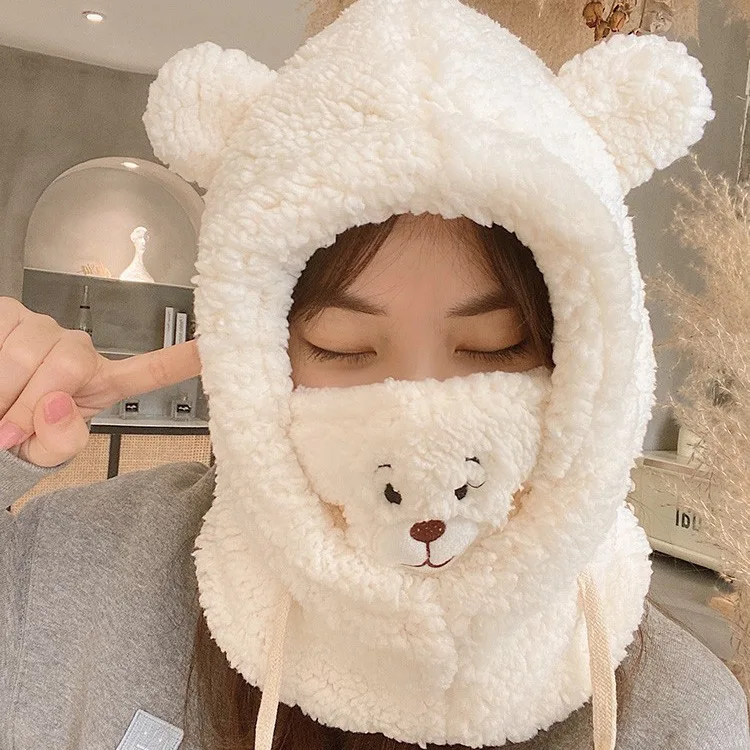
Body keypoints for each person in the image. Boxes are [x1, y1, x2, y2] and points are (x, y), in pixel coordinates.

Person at [2, 0, 749, 749]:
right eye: (342, 346)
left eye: (497, 346)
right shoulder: (77, 574)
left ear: (594, 361)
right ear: (256, 352)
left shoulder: (681, 719)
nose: (418, 428)